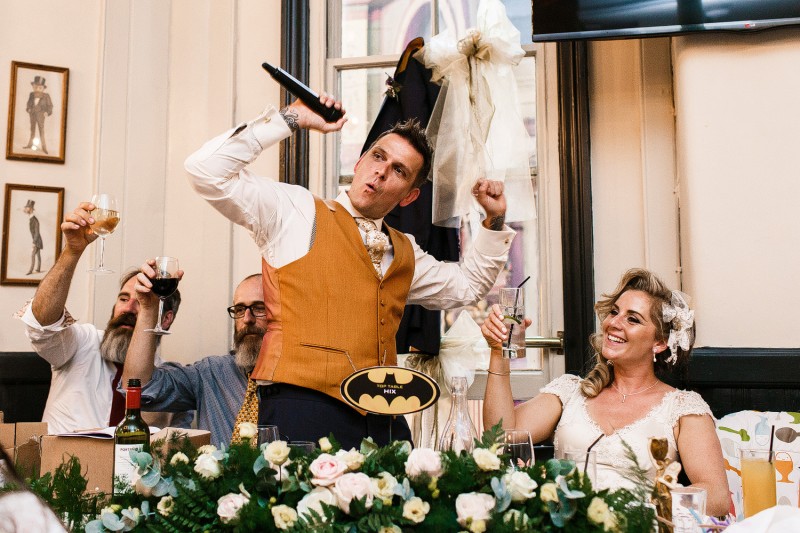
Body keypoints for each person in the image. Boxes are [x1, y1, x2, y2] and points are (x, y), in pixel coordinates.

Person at [184, 92, 515, 449]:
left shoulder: (405, 251)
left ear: (408, 197)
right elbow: (205, 170)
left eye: (399, 170)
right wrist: (290, 119)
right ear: (359, 163)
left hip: (384, 416)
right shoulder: (295, 212)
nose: (381, 171)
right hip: (302, 408)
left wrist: (494, 221)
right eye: (378, 156)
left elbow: (466, 286)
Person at [482, 268, 729, 516]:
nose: (614, 323)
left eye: (633, 319)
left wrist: (641, 505)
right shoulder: (570, 392)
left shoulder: (683, 407)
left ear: (659, 343)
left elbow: (716, 497)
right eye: (614, 312)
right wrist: (497, 352)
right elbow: (501, 434)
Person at [18, 202, 192, 434]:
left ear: (166, 319)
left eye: (141, 302)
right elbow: (42, 325)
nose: (128, 308)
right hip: (63, 466)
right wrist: (72, 250)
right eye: (122, 298)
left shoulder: (167, 382)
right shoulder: (82, 343)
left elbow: (178, 448)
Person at [121, 271, 267, 446]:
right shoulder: (211, 374)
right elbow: (140, 387)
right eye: (240, 309)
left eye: (259, 308)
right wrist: (148, 309)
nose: (247, 318)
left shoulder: (300, 378)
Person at [23, 75, 53, 154]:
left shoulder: (46, 96)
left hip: (40, 116)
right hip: (32, 115)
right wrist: (28, 109)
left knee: (41, 132)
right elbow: (29, 103)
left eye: (40, 88)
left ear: (43, 88)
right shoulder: (31, 94)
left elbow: (50, 106)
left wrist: (48, 112)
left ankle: (44, 148)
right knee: (32, 130)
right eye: (35, 87)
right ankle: (30, 145)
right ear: (33, 87)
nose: (37, 89)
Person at [23, 199, 43, 275]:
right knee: (38, 255)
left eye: (27, 207)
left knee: (33, 255)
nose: (26, 209)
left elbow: (37, 233)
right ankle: (38, 268)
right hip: (37, 240)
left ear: (31, 209)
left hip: (37, 240)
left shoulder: (35, 220)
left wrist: (34, 243)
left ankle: (30, 271)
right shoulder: (31, 219)